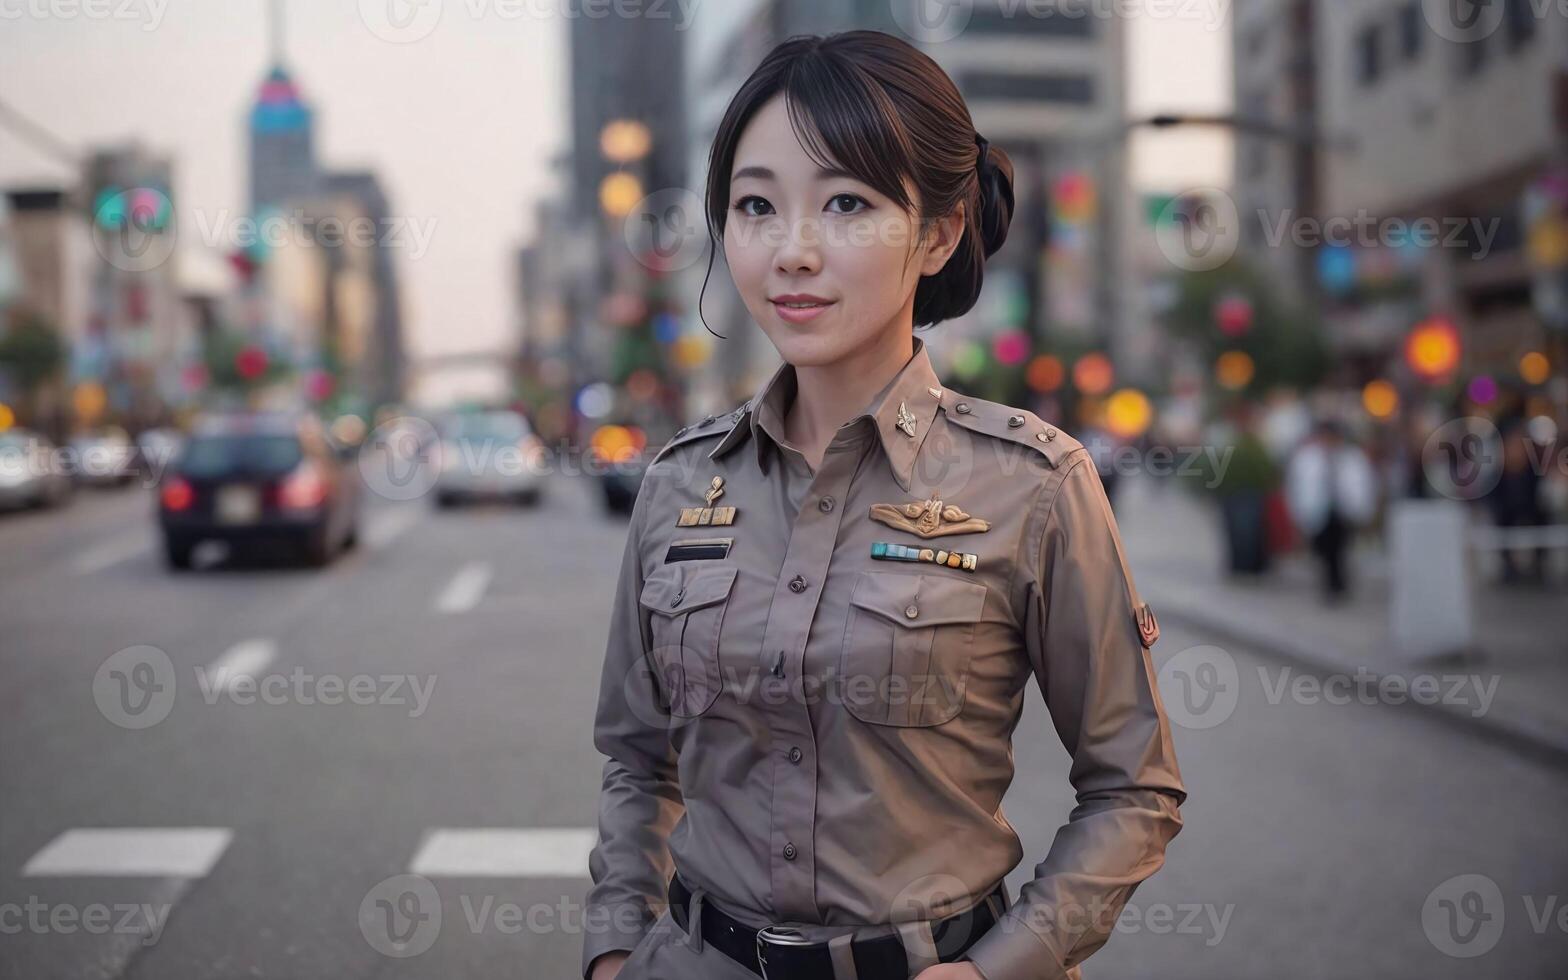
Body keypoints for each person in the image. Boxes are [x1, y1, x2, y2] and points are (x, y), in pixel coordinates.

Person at [585, 31, 1187, 980]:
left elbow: (1132, 788)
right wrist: (616, 949)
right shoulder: (674, 485)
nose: (793, 251)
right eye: (756, 206)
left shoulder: (1035, 484)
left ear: (938, 232)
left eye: (847, 204)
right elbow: (635, 759)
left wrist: (1003, 968)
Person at [1284, 418, 1377, 601]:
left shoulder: (1352, 458)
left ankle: (1338, 585)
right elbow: (1297, 487)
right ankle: (1331, 584)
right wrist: (1298, 514)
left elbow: (1364, 485)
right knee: (1325, 550)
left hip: (1344, 511)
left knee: (1340, 548)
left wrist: (1362, 509)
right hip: (1319, 511)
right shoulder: (1307, 458)